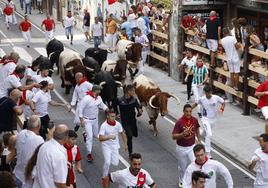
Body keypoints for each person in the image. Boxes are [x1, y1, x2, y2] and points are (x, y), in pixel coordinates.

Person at [172, 104, 201, 187]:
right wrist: (182, 134)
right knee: (183, 167)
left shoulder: (194, 120)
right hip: (181, 148)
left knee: (195, 164)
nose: (189, 113)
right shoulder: (179, 122)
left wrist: (199, 140)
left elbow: (197, 128)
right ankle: (181, 180)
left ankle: (194, 181)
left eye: (190, 111)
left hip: (191, 147)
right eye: (187, 111)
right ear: (183, 112)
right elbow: (173, 136)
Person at [192, 85, 224, 158]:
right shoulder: (202, 99)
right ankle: (208, 153)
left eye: (209, 93)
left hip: (214, 119)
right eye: (206, 93)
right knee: (209, 134)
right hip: (205, 119)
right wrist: (189, 110)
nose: (208, 95)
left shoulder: (216, 98)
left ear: (211, 92)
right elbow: (195, 104)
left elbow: (223, 102)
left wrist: (222, 108)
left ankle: (197, 137)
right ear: (204, 92)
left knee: (204, 133)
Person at [79, 85, 108, 162]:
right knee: (90, 137)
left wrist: (107, 110)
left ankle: (85, 134)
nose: (100, 92)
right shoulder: (86, 99)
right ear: (95, 91)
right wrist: (81, 119)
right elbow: (80, 109)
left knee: (95, 134)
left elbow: (102, 105)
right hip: (87, 120)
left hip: (95, 120)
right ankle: (89, 154)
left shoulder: (99, 98)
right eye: (99, 90)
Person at [14, 115, 44, 188]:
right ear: (39, 126)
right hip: (28, 180)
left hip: (17, 174)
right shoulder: (39, 139)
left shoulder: (21, 133)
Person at [99, 109, 128, 178]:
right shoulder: (103, 125)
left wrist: (125, 144)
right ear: (107, 116)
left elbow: (122, 133)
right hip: (106, 145)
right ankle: (104, 176)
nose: (113, 118)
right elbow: (100, 138)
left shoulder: (118, 124)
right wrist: (109, 137)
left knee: (115, 163)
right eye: (112, 116)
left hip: (115, 146)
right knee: (107, 162)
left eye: (114, 116)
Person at [116, 84, 142, 158]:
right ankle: (130, 153)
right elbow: (114, 106)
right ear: (128, 91)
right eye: (133, 91)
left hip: (133, 121)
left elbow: (138, 107)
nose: (134, 92)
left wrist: (140, 111)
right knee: (129, 136)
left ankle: (128, 139)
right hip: (125, 121)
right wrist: (116, 113)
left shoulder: (134, 100)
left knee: (134, 135)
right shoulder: (120, 100)